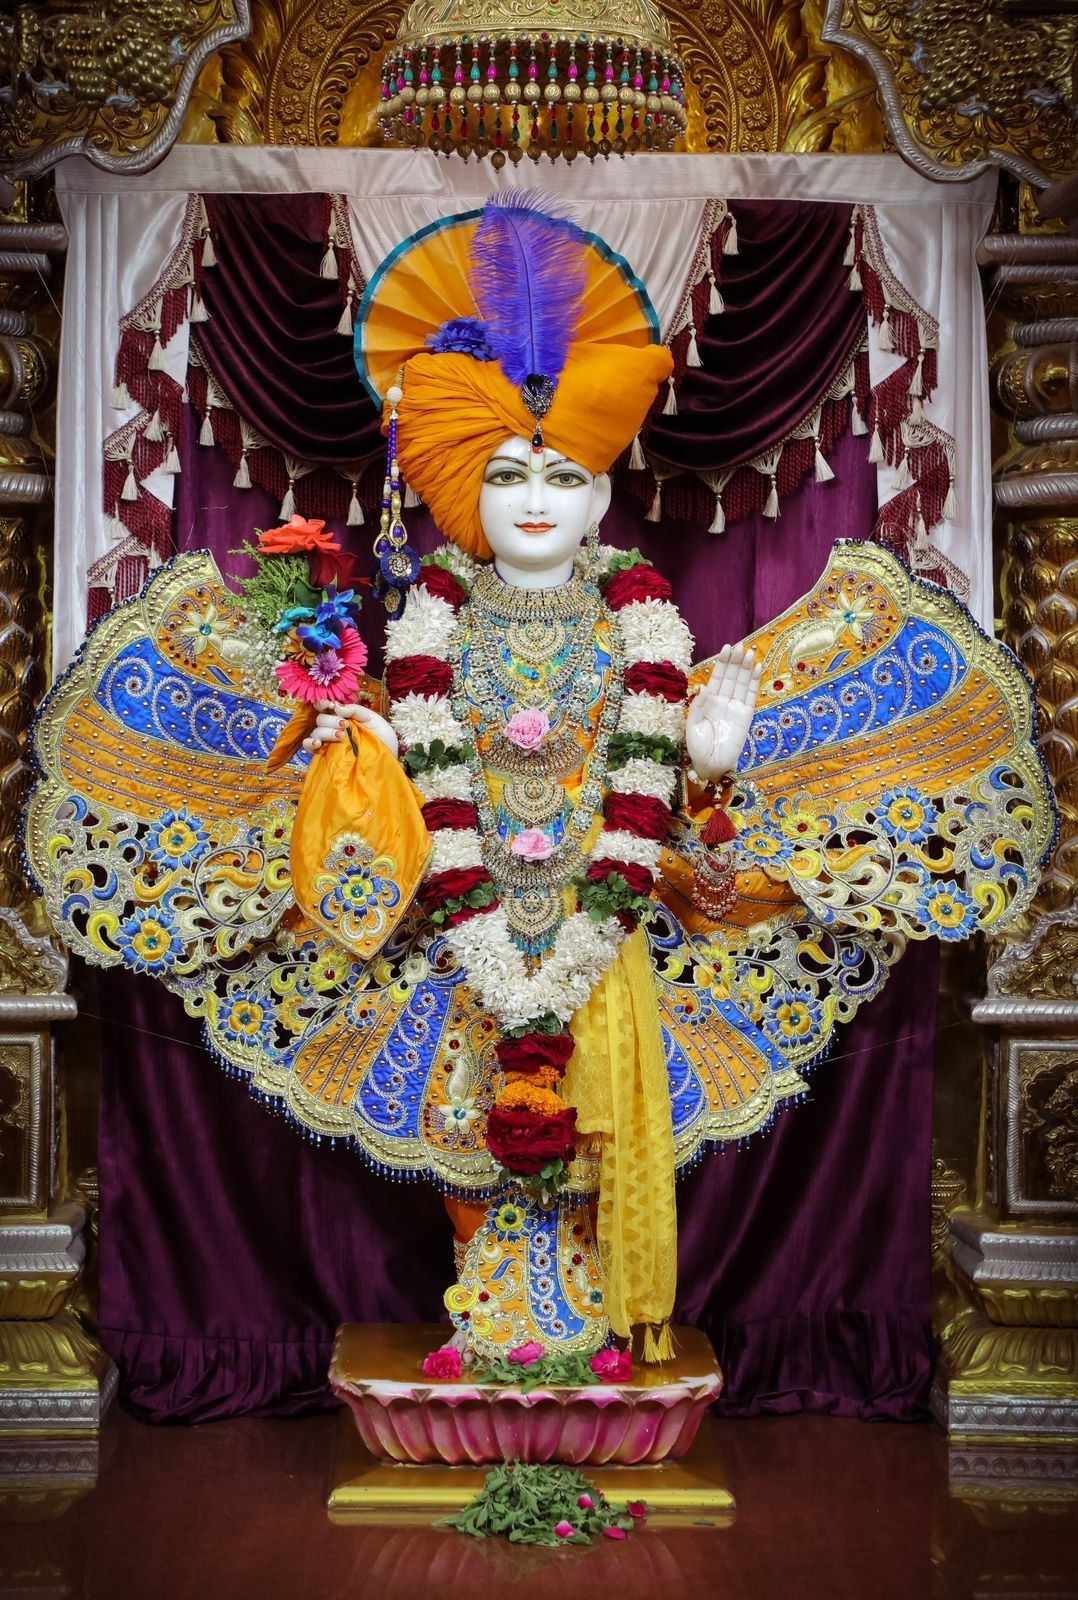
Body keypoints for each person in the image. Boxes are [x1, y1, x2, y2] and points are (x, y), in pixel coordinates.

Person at [25, 196, 1055, 1367]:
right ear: (466, 487)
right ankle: (494, 1316)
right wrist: (346, 761)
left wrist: (711, 774)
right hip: (455, 928)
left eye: (561, 474)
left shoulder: (642, 632)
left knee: (589, 1132)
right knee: (470, 1124)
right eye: (508, 471)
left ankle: (573, 1320)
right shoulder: (427, 630)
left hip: (609, 934)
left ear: (601, 496)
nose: (531, 497)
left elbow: (666, 814)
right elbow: (412, 788)